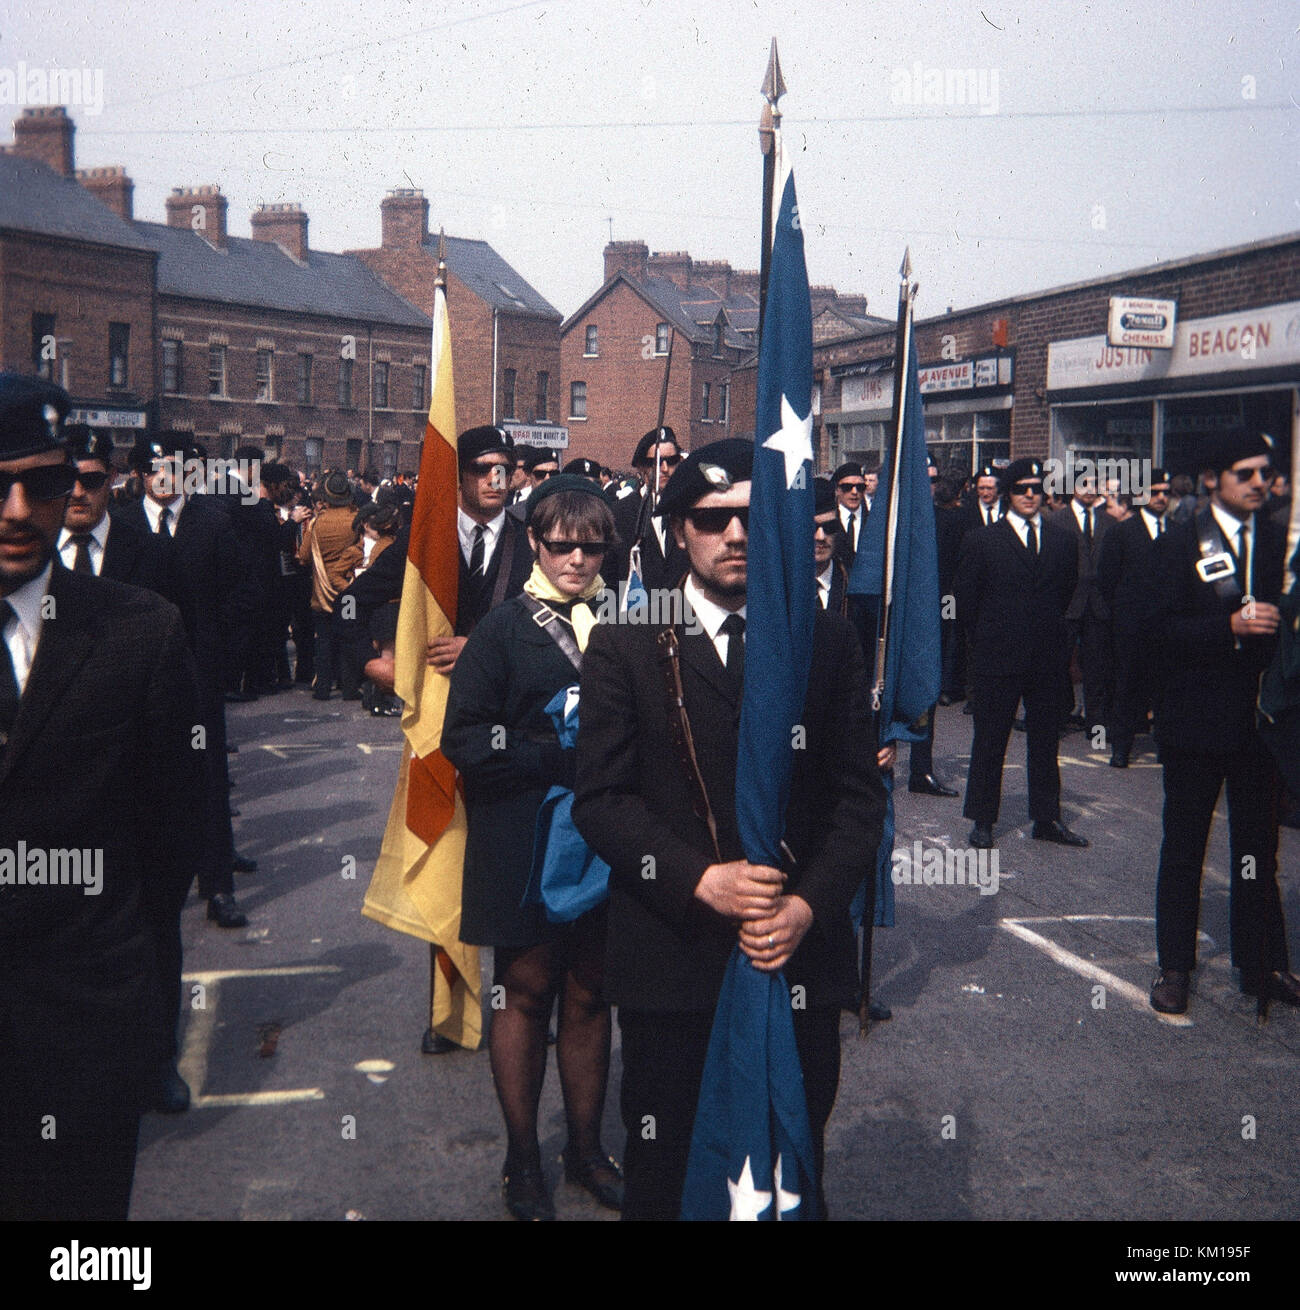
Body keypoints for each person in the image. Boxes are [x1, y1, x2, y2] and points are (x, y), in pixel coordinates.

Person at [572, 438, 886, 1221]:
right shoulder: (626, 640)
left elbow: (858, 800)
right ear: (679, 529)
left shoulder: (824, 640)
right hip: (675, 956)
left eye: (752, 516)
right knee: (668, 1164)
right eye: (713, 519)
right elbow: (601, 800)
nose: (736, 535)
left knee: (787, 1159)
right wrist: (698, 879)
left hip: (796, 953)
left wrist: (807, 907)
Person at [0, 374, 201, 1218]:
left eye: (44, 485)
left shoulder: (138, 631)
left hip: (82, 1025)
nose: (16, 511)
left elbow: (168, 840)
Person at [443, 473, 623, 1221]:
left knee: (589, 994)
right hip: (519, 837)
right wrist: (550, 753)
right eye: (560, 546)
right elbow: (464, 737)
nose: (575, 561)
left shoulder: (627, 622)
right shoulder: (501, 630)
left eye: (590, 547)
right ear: (537, 544)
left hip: (605, 838)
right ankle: (523, 1159)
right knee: (525, 993)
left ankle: (585, 1151)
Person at [1149, 433, 1300, 1017]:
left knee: (1258, 849)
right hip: (1192, 723)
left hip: (1257, 723)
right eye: (1246, 474)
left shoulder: (1277, 545)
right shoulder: (1179, 542)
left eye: (1265, 472)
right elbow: (1151, 631)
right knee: (1185, 847)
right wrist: (1226, 629)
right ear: (1214, 479)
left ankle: (1262, 963)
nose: (1260, 483)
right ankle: (1175, 968)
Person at [114, 433, 251, 928]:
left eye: (172, 469)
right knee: (139, 781)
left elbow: (239, 594)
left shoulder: (212, 524)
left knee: (209, 777)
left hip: (199, 675)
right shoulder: (122, 527)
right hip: (134, 680)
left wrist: (223, 659)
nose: (164, 478)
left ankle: (217, 886)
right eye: (154, 471)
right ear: (140, 477)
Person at [955, 458, 1087, 850]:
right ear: (1007, 494)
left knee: (1046, 740)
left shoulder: (1063, 540)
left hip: (1046, 657)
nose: (1030, 495)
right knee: (990, 740)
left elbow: (1064, 591)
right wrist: (985, 643)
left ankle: (1046, 817)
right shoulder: (983, 540)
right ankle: (982, 819)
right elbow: (966, 600)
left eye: (1036, 488)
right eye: (1020, 488)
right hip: (998, 655)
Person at [1096, 469, 1171, 767]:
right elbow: (1107, 578)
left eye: (1166, 492)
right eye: (1155, 491)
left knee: (1166, 687)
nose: (1162, 497)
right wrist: (1123, 613)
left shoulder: (1179, 530)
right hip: (1131, 624)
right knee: (1126, 684)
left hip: (1168, 625)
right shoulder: (1122, 532)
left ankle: (1167, 745)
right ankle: (1121, 747)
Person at [1050, 474, 1112, 735]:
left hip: (1098, 603)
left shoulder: (1109, 521)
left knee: (1097, 664)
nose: (1090, 490)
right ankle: (1059, 714)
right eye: (1084, 484)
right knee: (1058, 660)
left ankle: (1095, 720)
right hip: (1068, 602)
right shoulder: (1056, 521)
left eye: (1095, 484)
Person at [296, 470, 362, 700]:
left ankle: (322, 686)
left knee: (323, 639)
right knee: (349, 637)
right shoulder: (356, 521)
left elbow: (303, 557)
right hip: (349, 589)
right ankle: (349, 686)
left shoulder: (317, 524)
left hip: (321, 592)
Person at [611, 426, 687, 592]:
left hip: (684, 614)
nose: (665, 469)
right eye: (657, 463)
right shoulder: (620, 513)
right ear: (641, 467)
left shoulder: (689, 510)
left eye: (672, 461)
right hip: (637, 614)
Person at [832, 461, 867, 560]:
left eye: (860, 487)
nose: (854, 492)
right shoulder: (829, 520)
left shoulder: (875, 521)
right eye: (847, 487)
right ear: (837, 490)